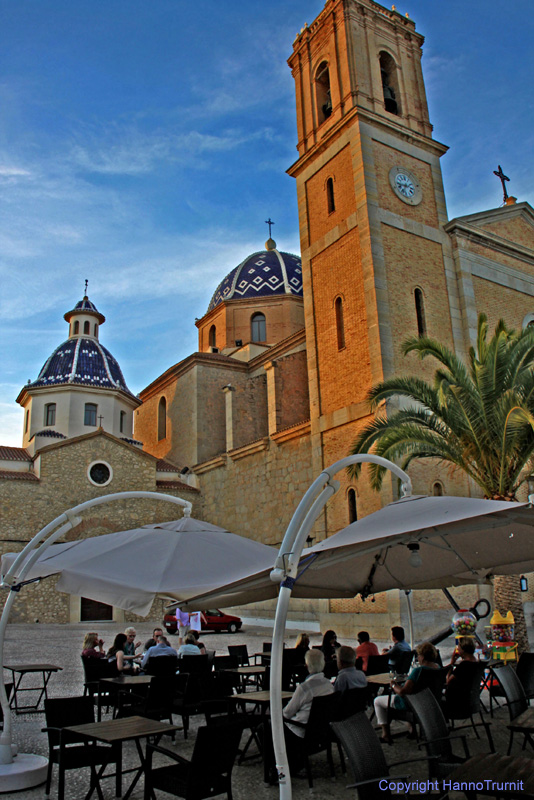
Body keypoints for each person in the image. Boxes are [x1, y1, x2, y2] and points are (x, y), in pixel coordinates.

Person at [262, 649, 334, 783]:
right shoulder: (328, 685)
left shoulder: (305, 688)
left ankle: (275, 768)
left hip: (301, 731)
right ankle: (293, 761)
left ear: (306, 666)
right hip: (320, 731)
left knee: (267, 727)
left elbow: (287, 713)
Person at [374, 641, 440, 744]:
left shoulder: (418, 671)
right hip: (427, 702)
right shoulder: (437, 667)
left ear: (422, 656)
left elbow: (403, 692)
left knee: (378, 701)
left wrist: (393, 685)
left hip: (411, 704)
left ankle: (385, 734)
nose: (418, 658)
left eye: (418, 656)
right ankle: (411, 729)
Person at [445, 637, 479, 710]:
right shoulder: (476, 662)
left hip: (457, 699)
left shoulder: (464, 666)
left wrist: (452, 663)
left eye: (459, 647)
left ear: (463, 650)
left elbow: (448, 681)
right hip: (469, 699)